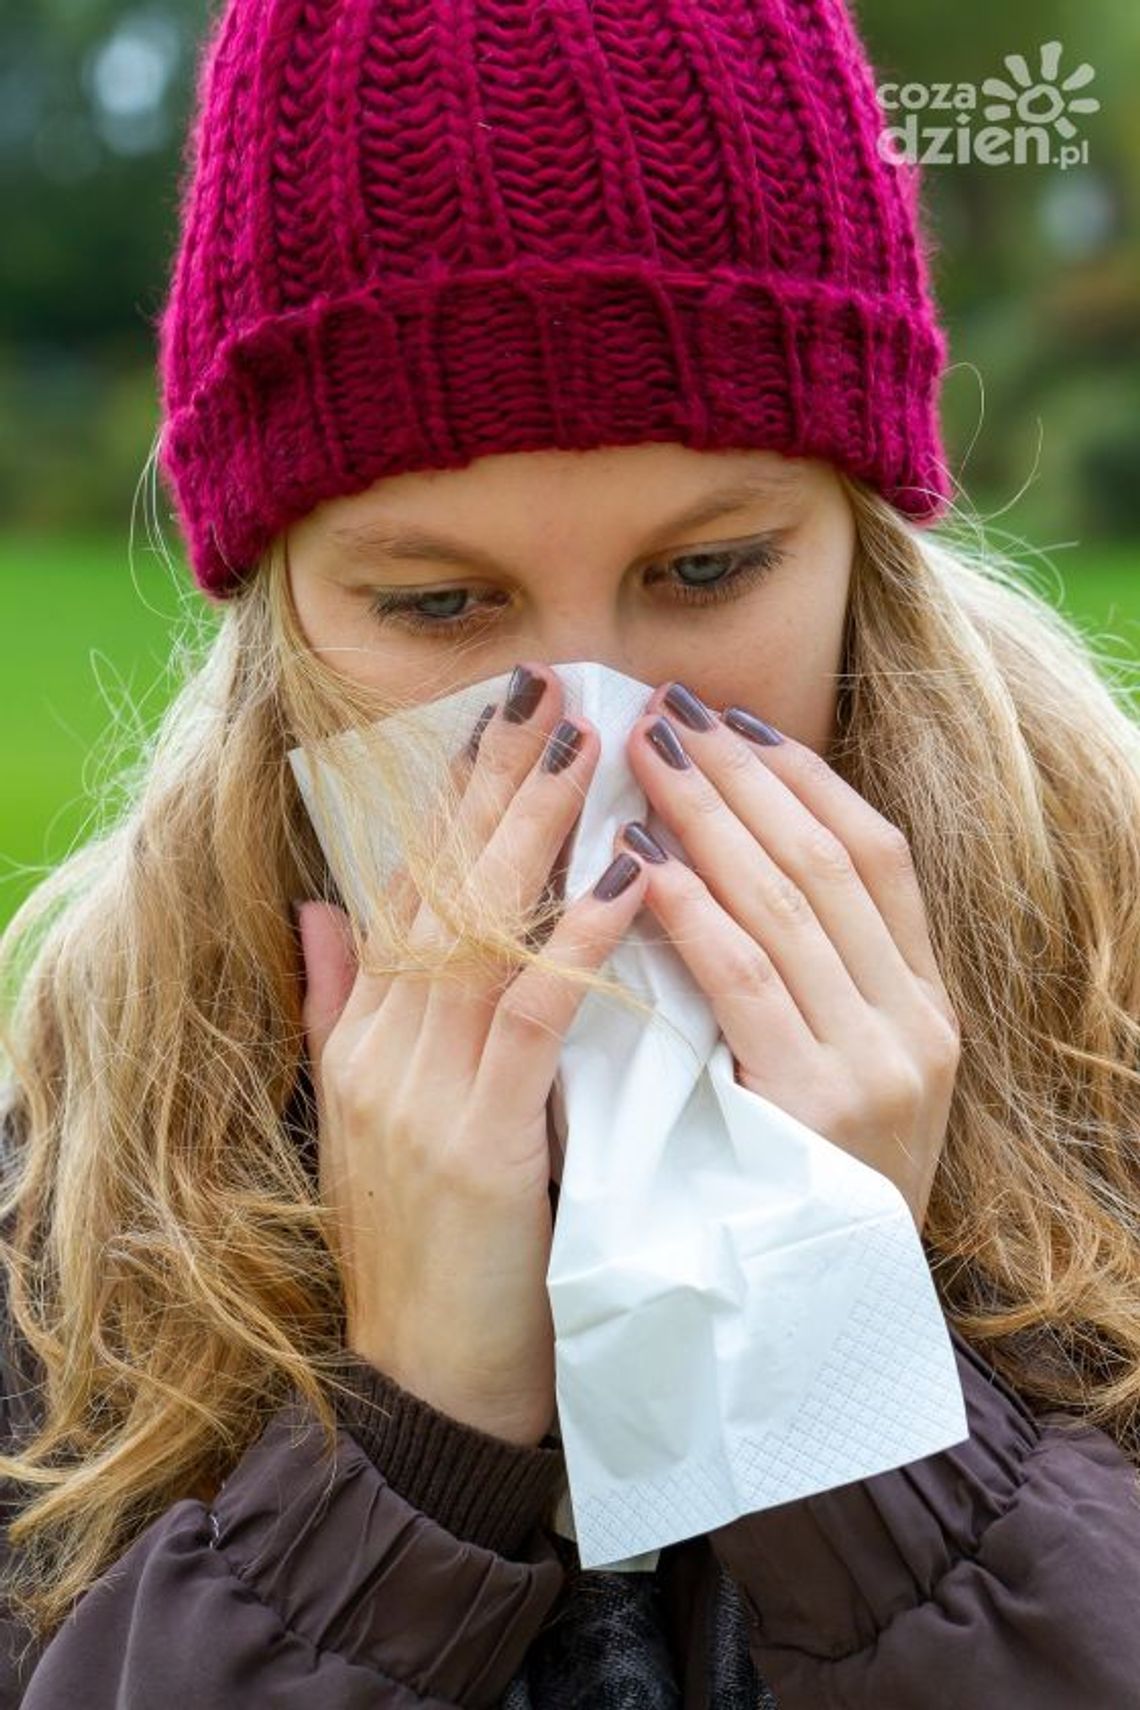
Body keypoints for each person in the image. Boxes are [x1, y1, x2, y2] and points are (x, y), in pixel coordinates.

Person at [1, 0, 1139, 1705]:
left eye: (708, 572)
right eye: (438, 603)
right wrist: (404, 1452)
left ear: (863, 543)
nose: (594, 733)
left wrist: (852, 1397)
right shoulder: (79, 1182)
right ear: (279, 614)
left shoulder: (1114, 1031)